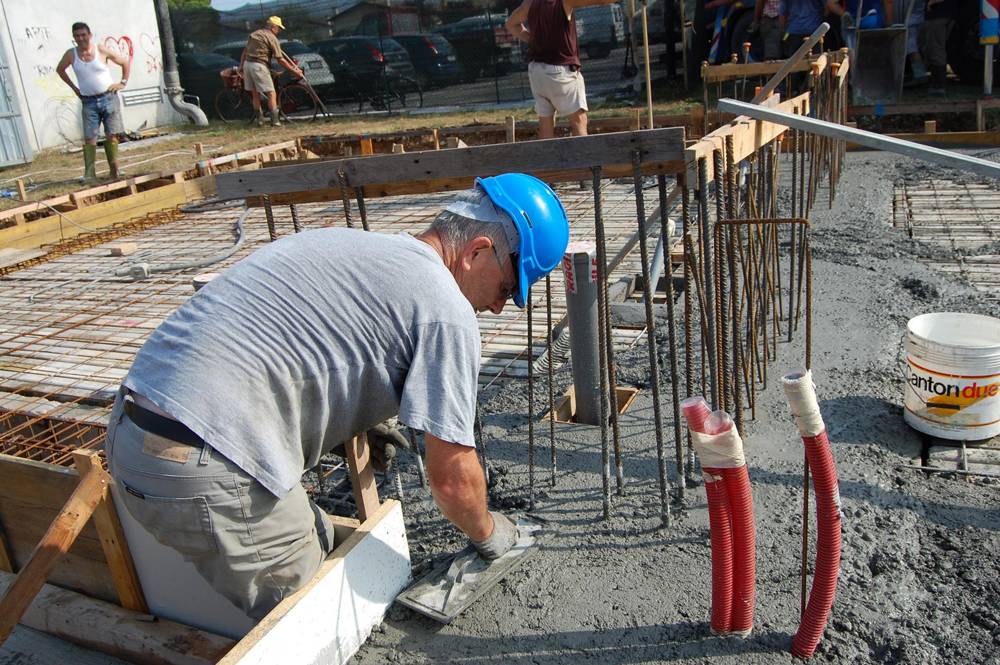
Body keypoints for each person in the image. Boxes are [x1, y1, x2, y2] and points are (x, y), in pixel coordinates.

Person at [105, 173, 571, 620]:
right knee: (315, 617)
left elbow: (305, 339)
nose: (496, 306)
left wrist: (361, 417)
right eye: (508, 289)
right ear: (477, 252)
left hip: (129, 431)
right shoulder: (446, 310)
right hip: (203, 466)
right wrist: (490, 534)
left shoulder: (347, 243)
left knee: (321, 538)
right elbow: (451, 479)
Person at [505, 0, 619, 139]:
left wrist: (533, 40)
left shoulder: (530, 3)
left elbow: (511, 24)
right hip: (560, 70)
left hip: (537, 72)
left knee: (545, 124)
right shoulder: (563, 2)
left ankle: (548, 159)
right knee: (579, 121)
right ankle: (586, 159)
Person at [56, 22, 130, 182]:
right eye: (77, 36)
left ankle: (115, 170)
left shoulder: (101, 49)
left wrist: (122, 82)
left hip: (108, 97)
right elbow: (60, 69)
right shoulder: (71, 54)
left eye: (83, 35)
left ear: (89, 35)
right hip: (88, 101)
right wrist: (75, 89)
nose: (80, 38)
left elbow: (124, 62)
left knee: (112, 134)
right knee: (90, 137)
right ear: (73, 37)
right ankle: (90, 174)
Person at [240, 16, 303, 127]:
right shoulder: (272, 37)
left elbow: (245, 52)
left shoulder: (255, 34)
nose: (278, 31)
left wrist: (241, 66)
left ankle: (260, 120)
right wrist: (294, 71)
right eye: (278, 28)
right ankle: (275, 121)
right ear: (273, 27)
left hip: (247, 65)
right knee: (271, 93)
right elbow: (280, 59)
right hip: (259, 66)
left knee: (255, 93)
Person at [922, 0, 957, 95]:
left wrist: (932, 2)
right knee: (936, 48)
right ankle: (935, 82)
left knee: (936, 49)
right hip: (945, 13)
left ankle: (938, 85)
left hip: (938, 15)